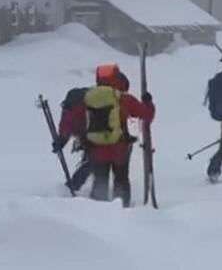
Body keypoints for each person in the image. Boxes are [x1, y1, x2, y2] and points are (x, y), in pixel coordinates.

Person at [58, 64, 154, 207]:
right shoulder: (122, 98)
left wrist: (62, 138)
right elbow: (147, 115)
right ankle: (123, 211)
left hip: (96, 150)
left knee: (100, 181)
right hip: (119, 150)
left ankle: (99, 212)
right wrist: (148, 102)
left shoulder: (88, 98)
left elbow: (72, 120)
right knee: (121, 179)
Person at [53, 87, 91, 193]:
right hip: (95, 134)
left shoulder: (70, 109)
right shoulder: (76, 108)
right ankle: (74, 186)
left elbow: (66, 127)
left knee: (92, 162)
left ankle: (73, 186)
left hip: (92, 134)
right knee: (93, 162)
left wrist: (61, 141)